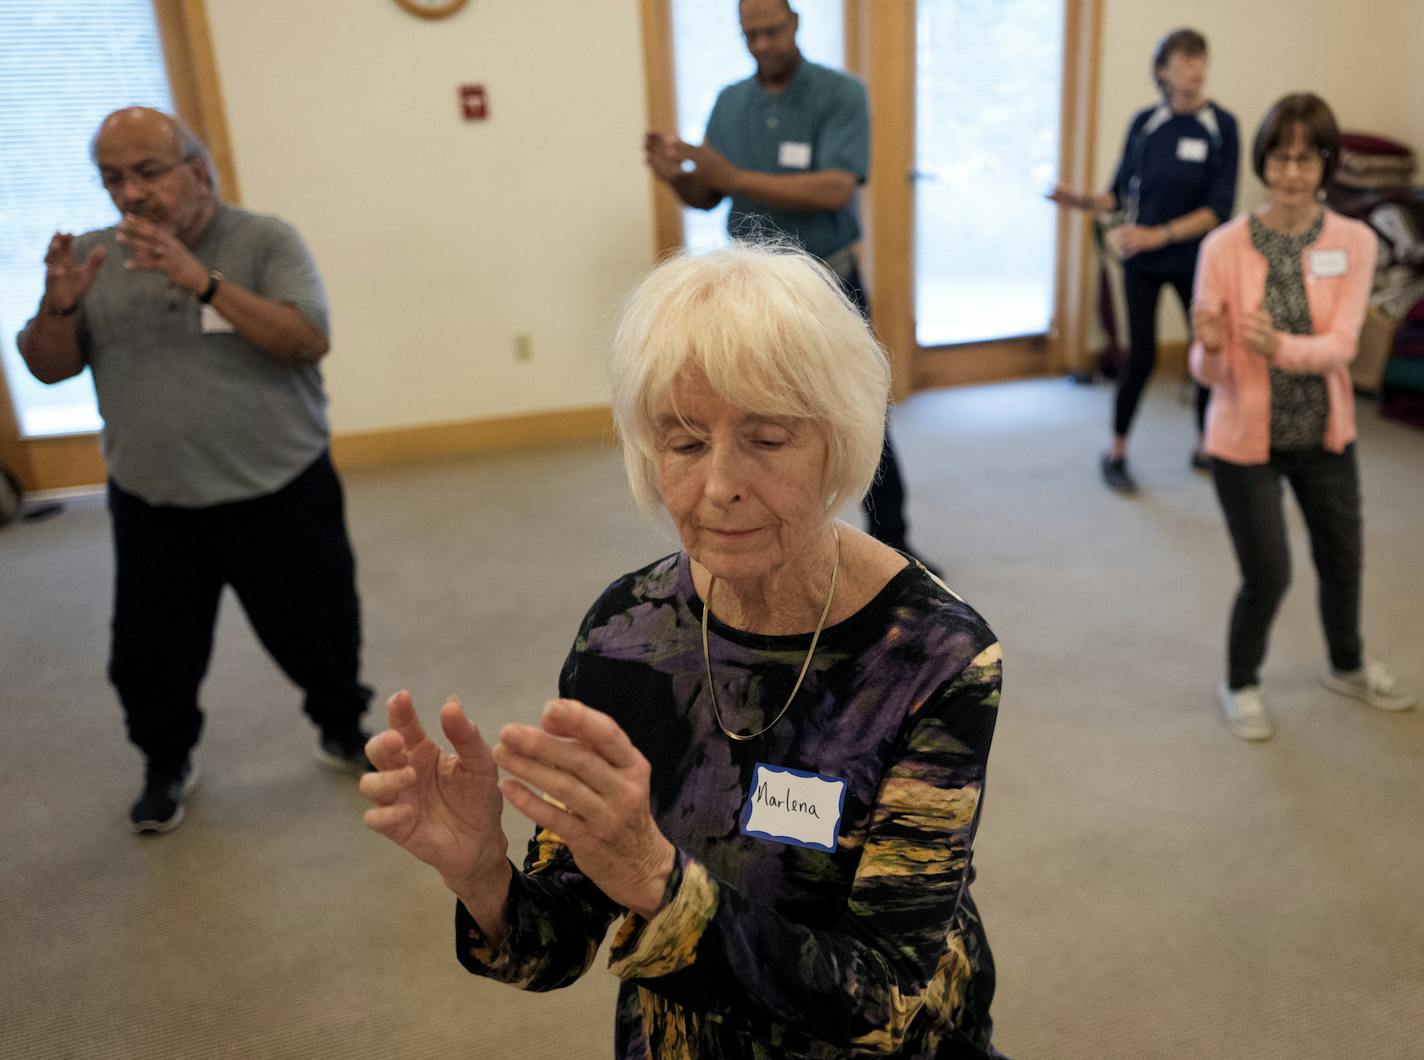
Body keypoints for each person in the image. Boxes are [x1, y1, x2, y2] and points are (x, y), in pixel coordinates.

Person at [360, 244, 1005, 1057]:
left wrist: (661, 888)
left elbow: (883, 1000)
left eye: (767, 440)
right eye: (685, 442)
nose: (718, 486)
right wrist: (482, 874)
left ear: (838, 442)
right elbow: (554, 946)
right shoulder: (627, 633)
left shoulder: (933, 659)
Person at [16, 108, 373, 834]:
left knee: (319, 630)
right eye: (113, 178)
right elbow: (47, 368)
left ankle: (341, 728)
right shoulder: (90, 257)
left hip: (279, 489)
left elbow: (307, 339)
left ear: (198, 170)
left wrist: (202, 281)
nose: (130, 194)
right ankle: (165, 760)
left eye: (147, 172)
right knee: (150, 654)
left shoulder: (263, 240)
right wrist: (58, 309)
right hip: (155, 499)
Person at [644, 0, 935, 571]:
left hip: (830, 286)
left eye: (772, 31)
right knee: (756, 427)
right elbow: (709, 194)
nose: (762, 44)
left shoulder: (840, 94)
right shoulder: (731, 101)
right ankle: (776, 539)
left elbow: (834, 189)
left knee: (862, 415)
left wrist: (730, 177)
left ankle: (895, 547)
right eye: (750, 35)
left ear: (795, 23)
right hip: (751, 297)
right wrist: (676, 180)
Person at [1189, 93, 1415, 740]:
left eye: (1307, 158)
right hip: (1243, 437)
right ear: (1264, 162)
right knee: (1269, 574)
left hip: (1324, 431)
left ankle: (1346, 663)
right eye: (1280, 157)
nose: (1292, 172)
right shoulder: (1222, 247)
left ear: (1326, 164)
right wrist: (1207, 346)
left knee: (1343, 556)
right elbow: (1210, 376)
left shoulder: (1355, 241)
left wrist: (1276, 346)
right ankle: (1240, 681)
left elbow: (1343, 347)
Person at [1050, 28, 1238, 493]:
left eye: (1201, 58)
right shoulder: (1145, 124)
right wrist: (1080, 201)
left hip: (1198, 262)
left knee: (1206, 352)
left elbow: (1219, 209)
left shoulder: (1222, 126)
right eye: (1184, 59)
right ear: (1162, 71)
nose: (1195, 67)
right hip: (1143, 262)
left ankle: (1205, 447)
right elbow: (1117, 195)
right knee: (1143, 357)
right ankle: (1116, 452)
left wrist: (1161, 234)